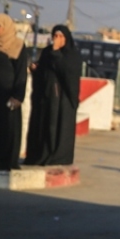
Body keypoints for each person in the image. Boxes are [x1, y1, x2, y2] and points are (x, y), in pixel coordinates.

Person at [25, 24, 82, 166]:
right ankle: (38, 155)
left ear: (66, 39)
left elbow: (68, 73)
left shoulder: (71, 55)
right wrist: (35, 69)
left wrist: (56, 53)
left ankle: (55, 156)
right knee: (42, 126)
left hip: (62, 100)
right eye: (55, 36)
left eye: (60, 36)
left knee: (55, 127)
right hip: (46, 97)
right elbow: (44, 70)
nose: (57, 39)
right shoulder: (47, 52)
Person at [0, 13, 31, 170]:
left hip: (8, 95)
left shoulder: (17, 45)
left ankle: (5, 161)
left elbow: (21, 73)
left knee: (7, 128)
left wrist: (18, 96)